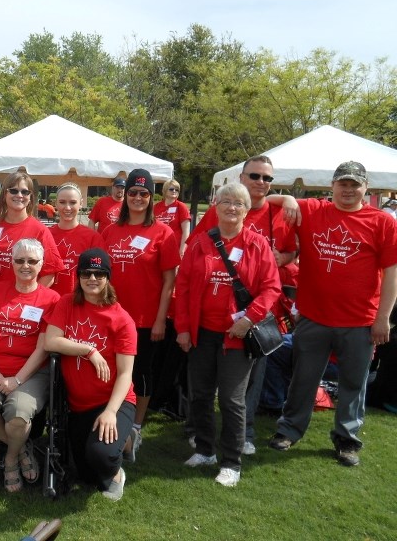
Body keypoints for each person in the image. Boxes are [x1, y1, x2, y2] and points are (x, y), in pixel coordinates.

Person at [269, 161, 397, 467]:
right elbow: (265, 197)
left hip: (359, 321)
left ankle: (346, 439)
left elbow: (392, 272)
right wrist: (287, 199)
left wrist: (383, 317)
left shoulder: (382, 222)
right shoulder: (312, 210)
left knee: (354, 384)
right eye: (343, 184)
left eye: (355, 184)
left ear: (366, 187)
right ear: (333, 185)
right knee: (303, 377)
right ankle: (289, 429)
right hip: (314, 317)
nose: (349, 190)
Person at [191, 155, 298, 455]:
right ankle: (203, 437)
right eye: (255, 176)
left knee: (250, 380)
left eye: (267, 178)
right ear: (242, 176)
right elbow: (196, 251)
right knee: (213, 385)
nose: (261, 183)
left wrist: (281, 259)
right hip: (216, 312)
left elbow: (290, 252)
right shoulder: (221, 208)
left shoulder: (280, 212)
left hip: (260, 313)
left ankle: (244, 434)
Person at [175, 183, 280, 487]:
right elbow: (182, 287)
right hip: (202, 332)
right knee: (201, 394)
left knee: (233, 401)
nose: (231, 208)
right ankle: (205, 450)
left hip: (237, 336)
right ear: (216, 206)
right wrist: (182, 328)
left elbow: (271, 288)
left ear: (247, 210)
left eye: (238, 203)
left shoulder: (257, 245)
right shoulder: (200, 243)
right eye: (226, 202)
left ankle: (231, 461)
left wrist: (248, 320)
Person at [44, 248, 137, 501]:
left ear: (108, 278)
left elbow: (126, 374)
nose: (92, 279)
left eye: (99, 274)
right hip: (79, 406)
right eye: (86, 273)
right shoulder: (67, 303)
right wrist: (89, 350)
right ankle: (124, 440)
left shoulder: (121, 320)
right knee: (84, 474)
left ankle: (118, 469)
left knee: (101, 457)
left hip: (113, 402)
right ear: (78, 276)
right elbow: (50, 342)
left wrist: (110, 412)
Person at [0, 239, 59, 492]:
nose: (25, 265)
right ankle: (21, 448)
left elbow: (43, 347)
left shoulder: (50, 299)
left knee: (19, 414)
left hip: (31, 373)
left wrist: (17, 380)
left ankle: (9, 459)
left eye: (32, 261)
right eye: (19, 260)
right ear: (11, 262)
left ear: (41, 265)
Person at [101, 168, 179, 452]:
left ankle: (135, 425)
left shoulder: (163, 232)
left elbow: (170, 279)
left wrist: (160, 319)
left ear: (151, 197)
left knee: (141, 372)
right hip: (111, 316)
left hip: (146, 319)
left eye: (143, 194)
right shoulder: (110, 231)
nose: (137, 198)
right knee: (112, 370)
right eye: (132, 192)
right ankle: (111, 416)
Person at [0, 171, 64, 289]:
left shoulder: (40, 230)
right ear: (5, 194)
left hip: (21, 304)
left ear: (30, 197)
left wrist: (28, 301)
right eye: (14, 190)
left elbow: (49, 274)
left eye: (25, 192)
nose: (19, 195)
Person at [49, 182, 105, 295]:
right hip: (50, 302)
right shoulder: (46, 234)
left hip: (80, 301)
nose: (67, 207)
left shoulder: (93, 238)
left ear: (81, 203)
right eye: (62, 202)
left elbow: (101, 276)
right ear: (56, 204)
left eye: (73, 202)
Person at [153, 178, 191, 256]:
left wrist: (182, 250)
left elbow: (186, 232)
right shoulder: (156, 207)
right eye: (171, 189)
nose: (174, 191)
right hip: (157, 247)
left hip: (175, 248)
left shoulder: (181, 207)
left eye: (177, 190)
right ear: (165, 190)